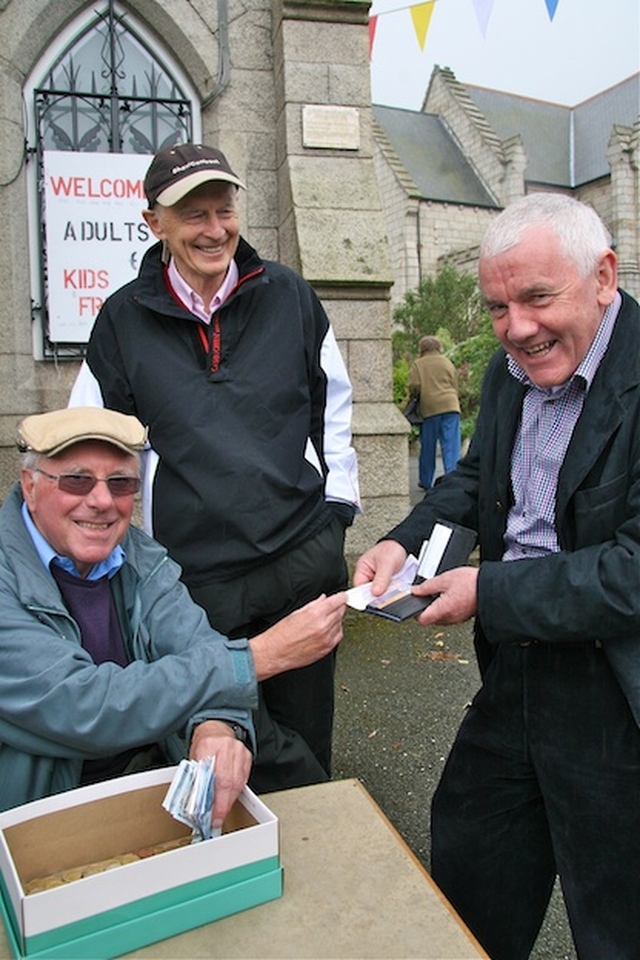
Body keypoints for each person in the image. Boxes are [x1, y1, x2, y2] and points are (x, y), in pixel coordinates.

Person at [354, 194, 640, 960]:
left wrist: (489, 592)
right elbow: (478, 480)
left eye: (538, 298)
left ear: (604, 276)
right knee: (471, 868)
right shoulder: (511, 373)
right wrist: (405, 544)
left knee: (615, 916)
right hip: (514, 672)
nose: (516, 329)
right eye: (498, 307)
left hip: (616, 693)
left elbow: (634, 573)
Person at [69, 142, 360, 794]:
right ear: (155, 224)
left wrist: (335, 520)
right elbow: (92, 448)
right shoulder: (123, 320)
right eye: (192, 214)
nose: (213, 229)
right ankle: (235, 868)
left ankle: (313, 858)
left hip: (300, 564)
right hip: (196, 587)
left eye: (223, 210)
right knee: (217, 746)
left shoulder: (290, 296)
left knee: (306, 741)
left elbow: (334, 411)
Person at [0, 406, 347, 817]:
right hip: (39, 818)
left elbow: (197, 647)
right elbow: (82, 704)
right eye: (77, 480)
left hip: (149, 785)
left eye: (121, 483)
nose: (101, 501)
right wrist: (256, 659)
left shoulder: (138, 554)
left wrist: (216, 726)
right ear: (31, 486)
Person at [408, 335, 461, 488]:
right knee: (451, 445)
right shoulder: (447, 362)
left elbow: (415, 385)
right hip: (451, 405)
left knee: (428, 446)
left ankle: (425, 481)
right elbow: (455, 384)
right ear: (439, 347)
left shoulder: (418, 364)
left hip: (430, 407)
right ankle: (453, 480)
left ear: (422, 349)